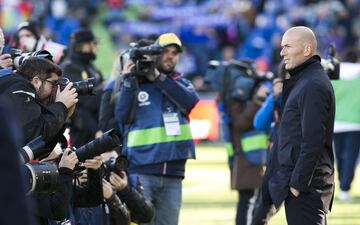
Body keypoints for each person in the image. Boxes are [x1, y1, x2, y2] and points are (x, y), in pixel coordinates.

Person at [115, 33, 199, 225]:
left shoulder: (181, 83)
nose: (171, 56)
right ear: (154, 55)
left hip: (173, 173)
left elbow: (190, 101)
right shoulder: (135, 84)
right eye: (165, 52)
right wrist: (128, 80)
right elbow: (122, 117)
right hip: (141, 169)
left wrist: (158, 78)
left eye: (175, 53)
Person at [267, 26, 335, 225]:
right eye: (281, 47)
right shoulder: (305, 80)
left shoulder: (313, 84)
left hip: (306, 188)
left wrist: (297, 184)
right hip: (303, 185)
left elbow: (313, 139)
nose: (282, 53)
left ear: (307, 50)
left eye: (287, 46)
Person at [0, 56, 78, 148]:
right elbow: (35, 135)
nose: (56, 89)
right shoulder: (19, 86)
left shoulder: (9, 80)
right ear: (36, 81)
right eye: (54, 84)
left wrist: (64, 113)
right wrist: (61, 105)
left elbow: (39, 150)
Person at [60, 28, 104, 147]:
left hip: (98, 126)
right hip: (81, 131)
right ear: (82, 45)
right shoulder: (69, 68)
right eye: (93, 44)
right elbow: (81, 101)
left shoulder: (92, 67)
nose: (96, 48)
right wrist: (104, 90)